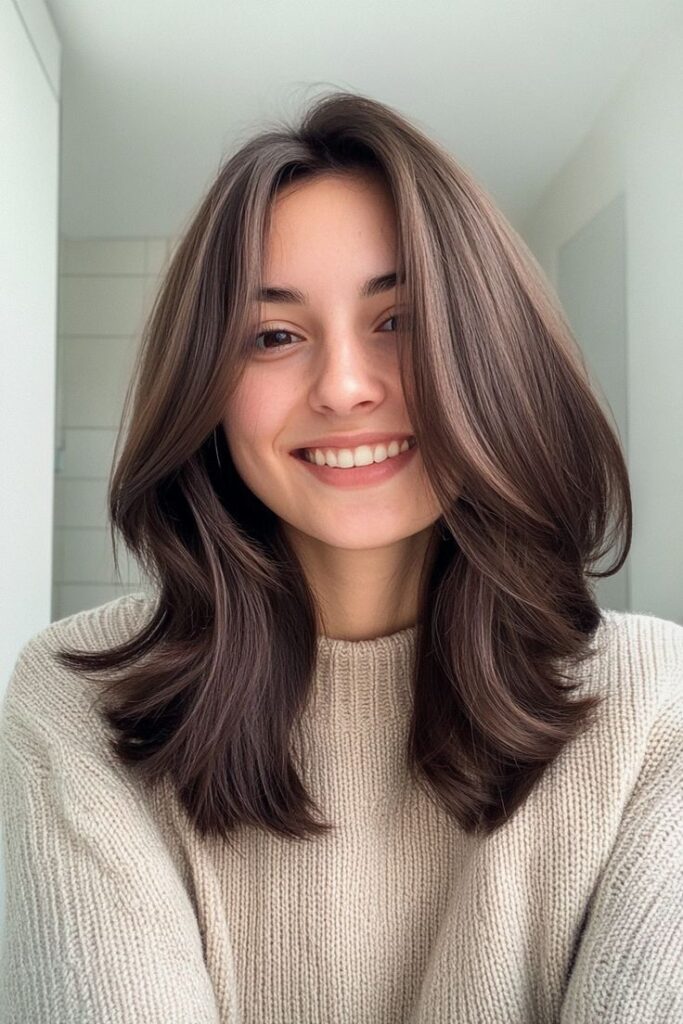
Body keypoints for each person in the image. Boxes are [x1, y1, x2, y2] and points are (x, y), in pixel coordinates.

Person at [1, 91, 681, 1023]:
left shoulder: (652, 708)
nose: (345, 387)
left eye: (397, 319)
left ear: (490, 351)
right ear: (206, 386)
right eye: (273, 336)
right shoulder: (77, 703)